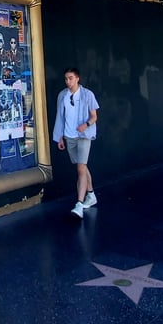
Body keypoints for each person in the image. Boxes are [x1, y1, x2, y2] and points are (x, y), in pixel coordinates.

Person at [53, 67, 99, 219]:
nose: (68, 81)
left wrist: (86, 125)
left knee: (80, 168)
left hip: (84, 135)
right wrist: (59, 136)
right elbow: (60, 117)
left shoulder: (87, 94)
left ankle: (79, 204)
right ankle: (91, 195)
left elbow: (94, 116)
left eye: (71, 78)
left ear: (77, 78)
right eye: (66, 79)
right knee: (82, 167)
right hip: (69, 136)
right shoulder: (62, 95)